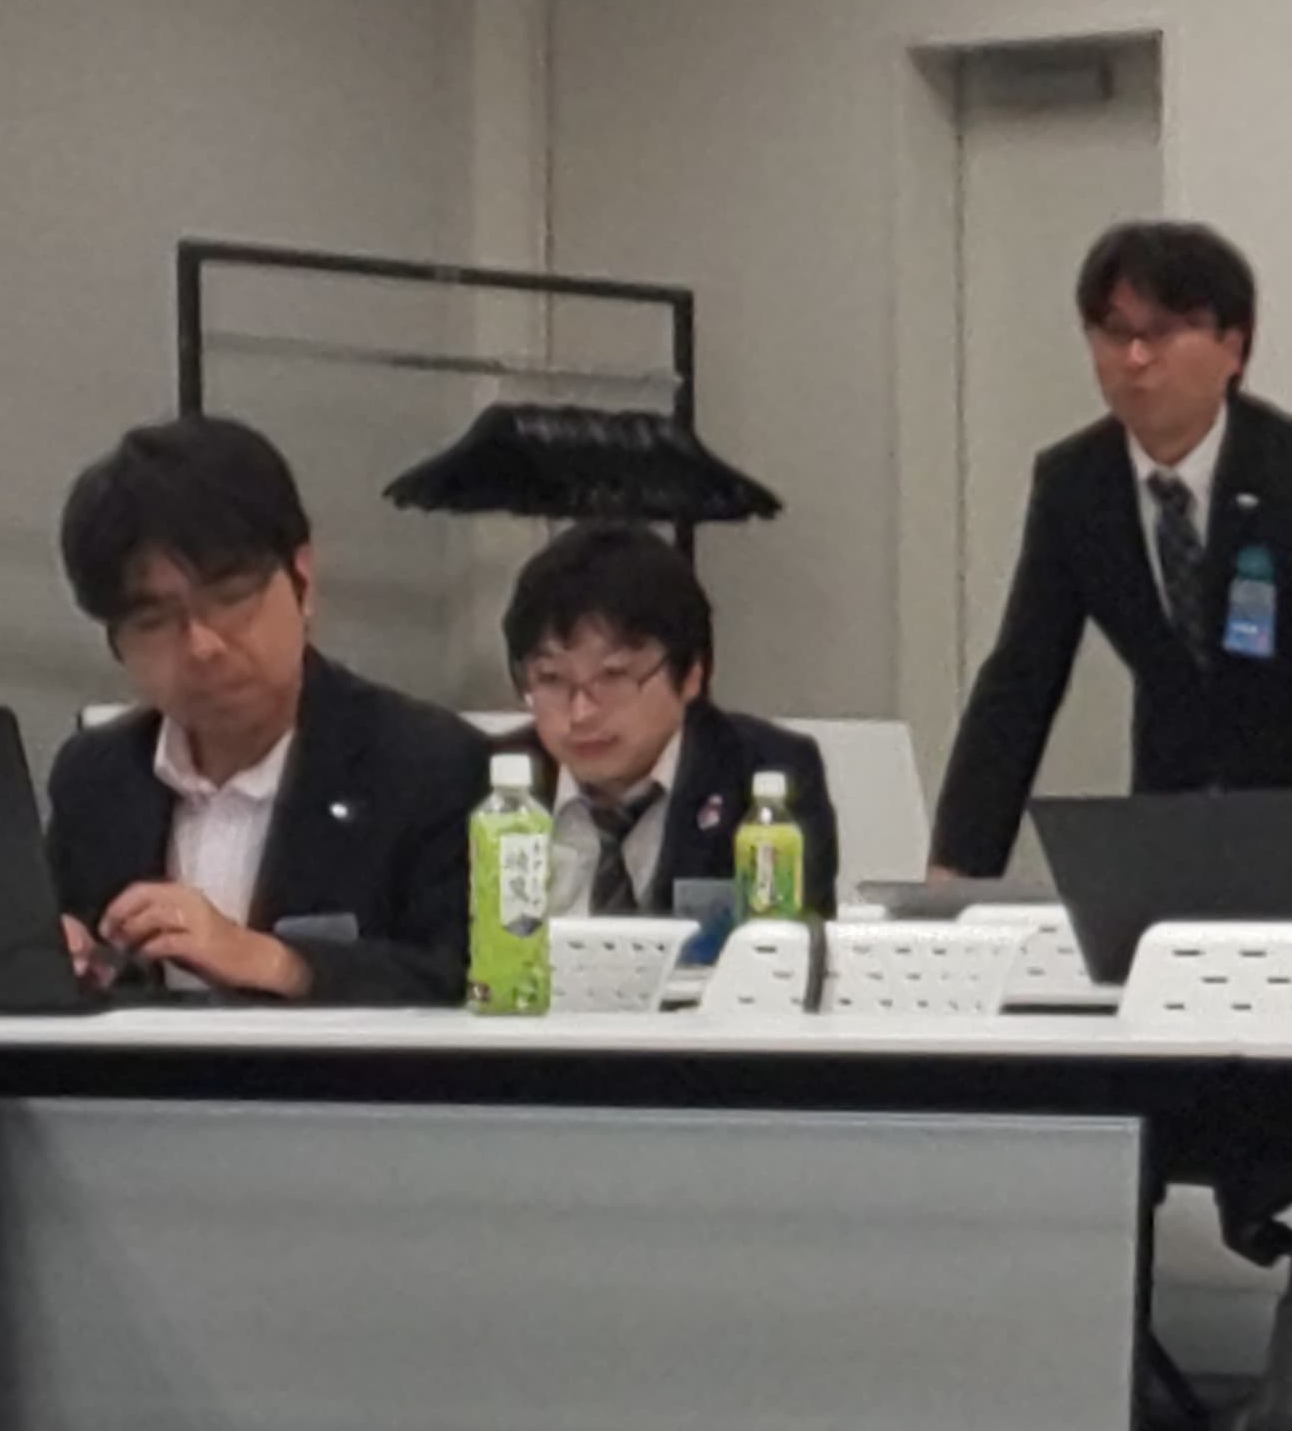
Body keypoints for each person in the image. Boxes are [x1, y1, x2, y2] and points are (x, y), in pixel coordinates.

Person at [929, 221, 1292, 877]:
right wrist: (958, 864)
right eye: (1114, 332)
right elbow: (1022, 679)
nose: (1135, 358)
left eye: (1164, 332)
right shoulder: (1075, 484)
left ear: (1233, 346)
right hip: (1168, 818)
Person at [45, 416, 490, 1004]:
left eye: (230, 599)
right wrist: (60, 958)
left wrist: (277, 963)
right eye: (154, 621)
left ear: (303, 580)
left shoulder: (427, 764)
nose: (202, 646)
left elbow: (467, 978)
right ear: (115, 642)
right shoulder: (95, 779)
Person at [500, 521, 840, 917]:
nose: (581, 713)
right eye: (552, 679)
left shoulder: (760, 775)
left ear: (692, 674)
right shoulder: (483, 784)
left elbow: (791, 942)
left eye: (614, 677)